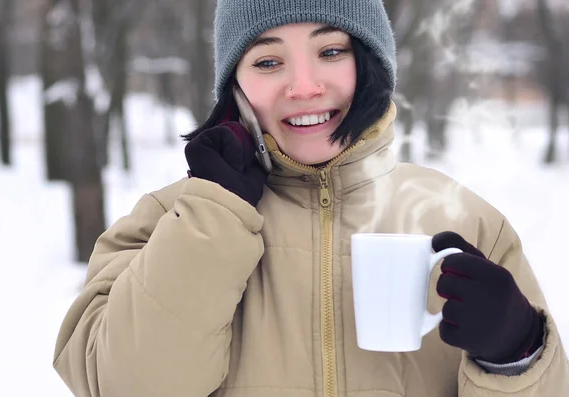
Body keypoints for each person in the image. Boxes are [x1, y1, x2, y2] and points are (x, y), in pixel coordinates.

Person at [53, 0, 569, 396]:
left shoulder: (467, 219)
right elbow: (123, 385)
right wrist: (212, 217)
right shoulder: (171, 218)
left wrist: (516, 354)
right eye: (268, 60)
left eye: (330, 52)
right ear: (234, 85)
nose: (303, 87)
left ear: (370, 64)